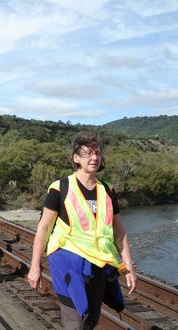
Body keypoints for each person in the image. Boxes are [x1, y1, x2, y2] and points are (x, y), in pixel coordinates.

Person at [28, 131, 137, 330]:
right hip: (68, 263)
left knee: (90, 319)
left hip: (99, 264)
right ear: (76, 158)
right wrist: (35, 266)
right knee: (73, 321)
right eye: (87, 153)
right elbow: (43, 229)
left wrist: (128, 265)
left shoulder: (108, 190)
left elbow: (119, 232)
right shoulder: (60, 188)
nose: (94, 157)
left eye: (97, 152)